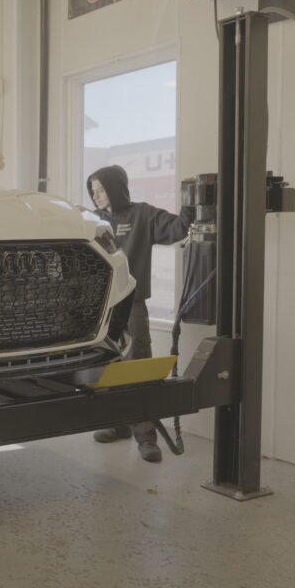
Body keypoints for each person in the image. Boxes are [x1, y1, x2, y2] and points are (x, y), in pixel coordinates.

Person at [87, 165, 194, 462]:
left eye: (100, 189)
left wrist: (189, 201)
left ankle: (146, 438)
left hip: (131, 304)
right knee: (109, 366)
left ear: (115, 188)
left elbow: (178, 229)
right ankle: (117, 424)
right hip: (100, 309)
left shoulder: (143, 215)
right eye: (92, 190)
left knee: (137, 366)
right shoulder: (92, 220)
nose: (95, 196)